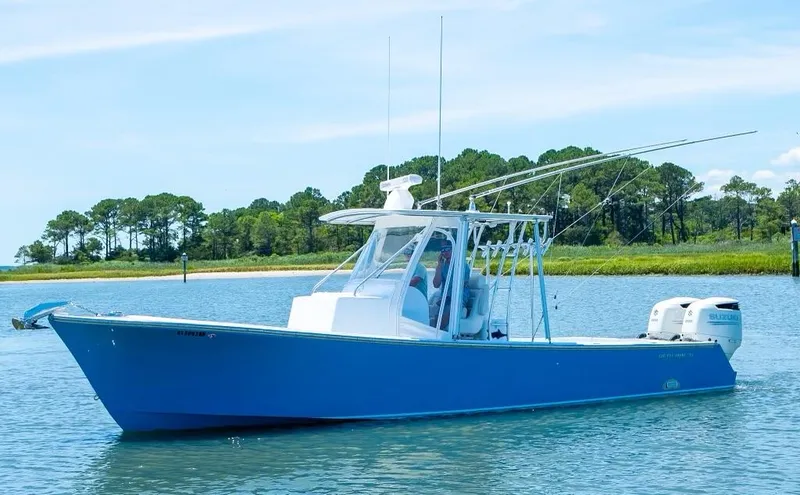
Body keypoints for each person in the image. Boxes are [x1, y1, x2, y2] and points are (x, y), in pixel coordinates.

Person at [429, 242, 471, 329]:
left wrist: (451, 298)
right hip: (445, 297)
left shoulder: (461, 265)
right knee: (435, 319)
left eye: (448, 249)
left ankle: (439, 335)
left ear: (453, 250)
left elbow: (463, 284)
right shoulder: (442, 266)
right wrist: (439, 267)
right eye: (443, 250)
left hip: (459, 296)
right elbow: (436, 285)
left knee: (445, 316)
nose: (445, 252)